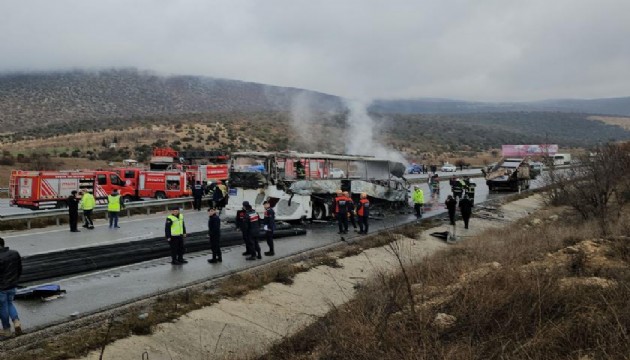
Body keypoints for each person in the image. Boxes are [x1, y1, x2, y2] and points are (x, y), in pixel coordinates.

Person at [0, 237, 22, 338]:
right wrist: (15, 280)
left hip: (1, 287)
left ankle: (7, 330)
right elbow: (19, 268)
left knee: (3, 307)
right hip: (12, 285)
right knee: (10, 303)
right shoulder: (14, 253)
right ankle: (16, 321)